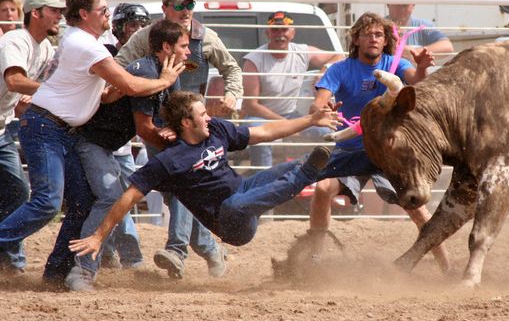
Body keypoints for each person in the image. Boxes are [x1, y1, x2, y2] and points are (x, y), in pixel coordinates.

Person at [0, 0, 183, 289]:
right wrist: (165, 80)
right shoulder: (86, 46)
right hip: (47, 129)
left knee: (83, 202)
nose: (107, 13)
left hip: (57, 130)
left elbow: (109, 93)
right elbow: (132, 86)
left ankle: (58, 273)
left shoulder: (80, 42)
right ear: (85, 14)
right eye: (102, 9)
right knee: (47, 202)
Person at [68, 91, 340, 270]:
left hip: (244, 191)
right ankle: (306, 174)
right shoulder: (169, 161)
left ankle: (342, 159)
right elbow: (128, 196)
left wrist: (310, 119)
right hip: (230, 222)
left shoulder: (216, 131)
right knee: (241, 202)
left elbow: (266, 131)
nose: (208, 117)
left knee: (291, 167)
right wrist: (97, 236)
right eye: (202, 114)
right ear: (186, 123)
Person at [303, 12, 450, 272]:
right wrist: (322, 108)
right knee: (323, 189)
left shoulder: (396, 64)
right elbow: (319, 100)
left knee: (416, 207)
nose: (373, 38)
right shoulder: (341, 68)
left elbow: (416, 80)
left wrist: (424, 67)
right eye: (367, 34)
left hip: (387, 150)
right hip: (350, 148)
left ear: (385, 41)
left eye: (379, 34)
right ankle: (313, 258)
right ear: (356, 39)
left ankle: (446, 267)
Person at [116, 0, 243, 279]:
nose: (186, 12)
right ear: (165, 9)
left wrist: (233, 95)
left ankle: (176, 250)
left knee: (183, 184)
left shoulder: (205, 37)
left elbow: (232, 68)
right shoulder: (145, 38)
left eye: (190, 6)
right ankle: (211, 249)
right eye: (180, 6)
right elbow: (118, 66)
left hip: (191, 127)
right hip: (158, 124)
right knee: (178, 190)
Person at [75, 3, 152, 273]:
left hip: (118, 147)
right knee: (112, 198)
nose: (138, 31)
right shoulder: (107, 54)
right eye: (133, 25)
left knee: (120, 198)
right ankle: (106, 261)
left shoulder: (149, 66)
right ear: (119, 28)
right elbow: (109, 92)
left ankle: (117, 257)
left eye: (143, 25)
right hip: (95, 141)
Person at [0, 0, 64, 275]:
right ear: (36, 13)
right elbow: (14, 81)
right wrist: (58, 93)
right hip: (3, 129)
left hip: (2, 130)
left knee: (18, 191)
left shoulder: (46, 48)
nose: (60, 16)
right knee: (19, 191)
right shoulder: (15, 41)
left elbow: (26, 90)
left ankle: (10, 262)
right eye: (54, 10)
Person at [242, 10, 343, 168]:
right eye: (275, 30)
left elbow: (338, 56)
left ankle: (322, 180)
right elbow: (251, 106)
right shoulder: (254, 60)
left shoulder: (302, 51)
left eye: (284, 29)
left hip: (292, 115)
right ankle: (261, 184)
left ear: (293, 33)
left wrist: (323, 72)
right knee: (258, 135)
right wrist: (287, 124)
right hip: (260, 117)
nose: (280, 34)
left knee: (327, 131)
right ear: (267, 33)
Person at [387, 0, 454, 66]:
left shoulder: (422, 26)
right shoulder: (379, 26)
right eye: (398, 2)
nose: (401, 7)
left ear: (413, 5)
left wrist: (412, 53)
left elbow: (447, 46)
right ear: (388, 3)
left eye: (405, 3)